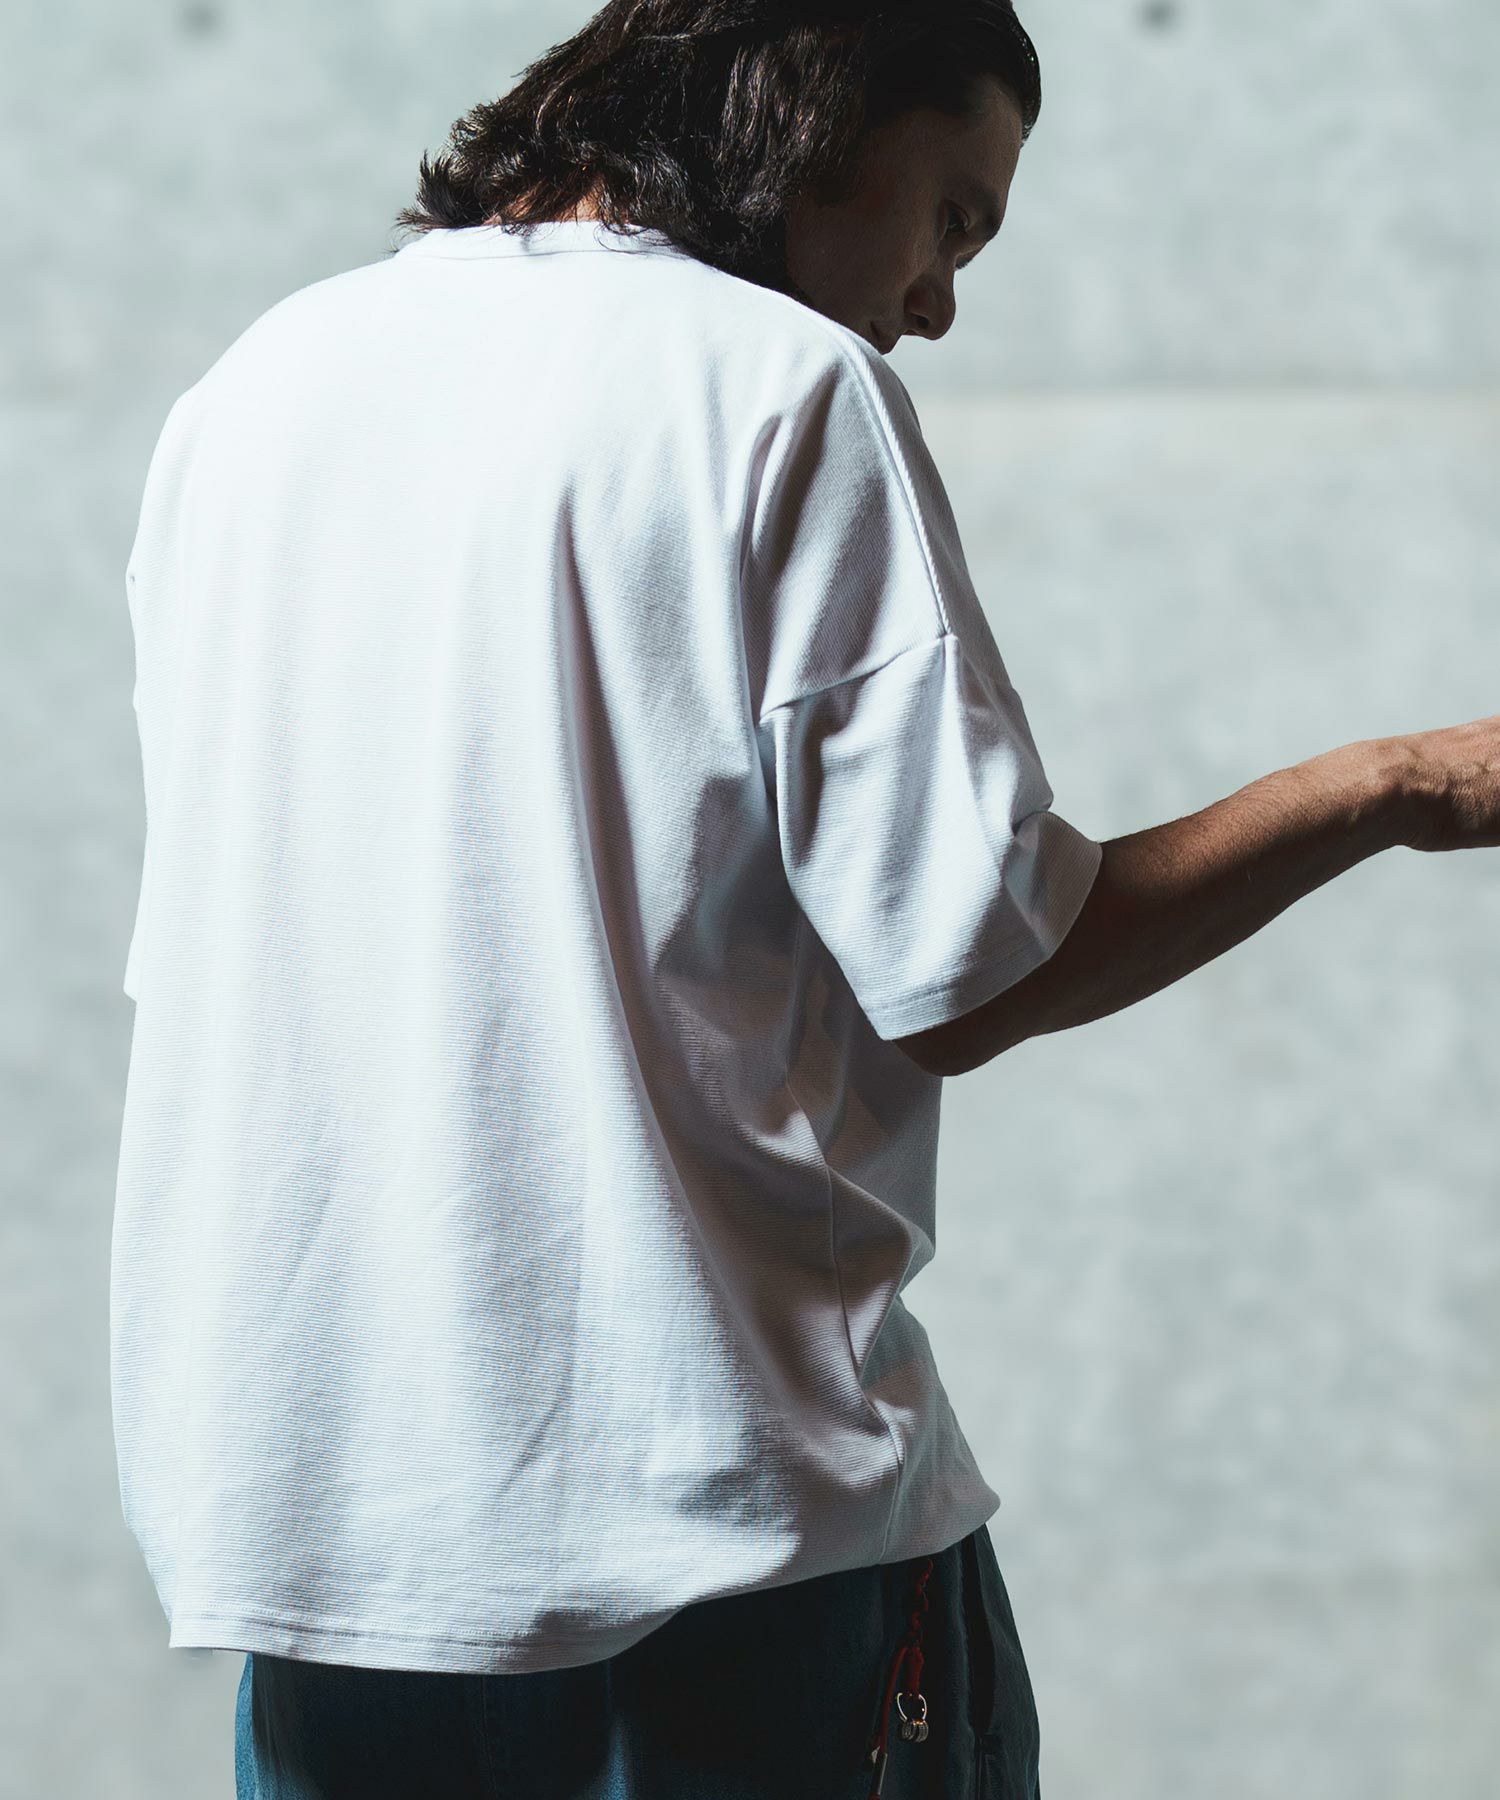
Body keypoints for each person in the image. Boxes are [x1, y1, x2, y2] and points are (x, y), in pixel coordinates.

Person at [110, 3, 1498, 1797]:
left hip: (325, 1555)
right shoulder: (778, 386)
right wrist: (1403, 784)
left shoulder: (254, 391)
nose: (937, 299)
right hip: (730, 1555)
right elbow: (982, 962)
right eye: (955, 220)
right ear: (825, 117)